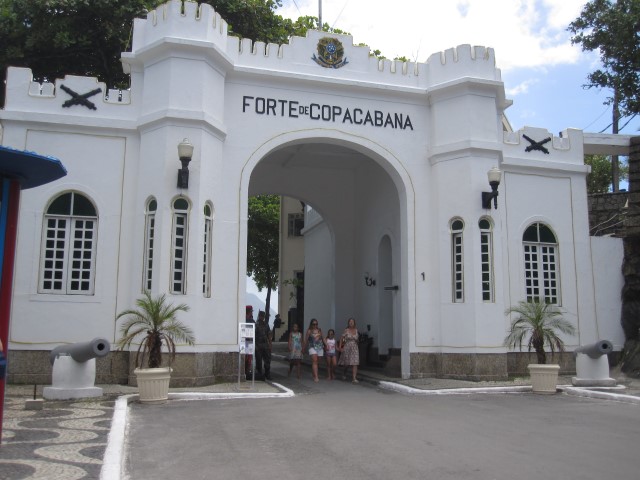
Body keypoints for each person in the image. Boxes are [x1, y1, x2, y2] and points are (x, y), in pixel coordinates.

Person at [338, 317, 360, 383]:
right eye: (350, 322)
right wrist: (340, 347)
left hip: (355, 348)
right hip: (347, 347)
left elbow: (357, 339)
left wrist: (357, 341)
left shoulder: (356, 330)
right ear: (348, 323)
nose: (351, 323)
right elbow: (341, 339)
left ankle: (354, 378)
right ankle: (344, 373)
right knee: (347, 364)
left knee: (355, 362)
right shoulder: (346, 330)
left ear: (354, 323)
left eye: (352, 322)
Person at [254, 310, 272, 380]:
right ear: (259, 316)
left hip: (265, 345)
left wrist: (270, 344)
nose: (262, 317)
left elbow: (269, 335)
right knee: (259, 361)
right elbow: (254, 336)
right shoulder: (256, 325)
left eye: (263, 316)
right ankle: (259, 375)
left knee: (267, 360)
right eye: (261, 316)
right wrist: (255, 346)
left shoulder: (266, 324)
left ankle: (267, 374)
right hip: (258, 345)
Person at [244, 305, 255, 379]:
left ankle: (245, 372)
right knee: (248, 359)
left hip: (244, 341)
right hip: (249, 341)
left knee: (246, 358)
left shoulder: (243, 319)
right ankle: (247, 372)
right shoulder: (251, 321)